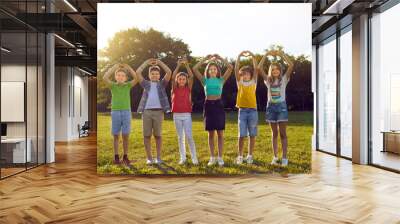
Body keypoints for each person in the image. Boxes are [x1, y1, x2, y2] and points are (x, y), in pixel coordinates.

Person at [193, 54, 233, 166]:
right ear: (207, 70)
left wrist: (220, 58)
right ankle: (212, 157)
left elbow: (230, 67)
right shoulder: (204, 81)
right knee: (211, 134)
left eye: (214, 68)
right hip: (208, 106)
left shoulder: (221, 80)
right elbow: (195, 69)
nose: (213, 70)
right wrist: (205, 59)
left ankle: (220, 157)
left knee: (220, 133)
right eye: (210, 69)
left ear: (217, 70)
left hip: (218, 105)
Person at [258, 50, 294, 167]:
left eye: (277, 69)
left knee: (283, 133)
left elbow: (291, 65)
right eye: (272, 69)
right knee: (274, 133)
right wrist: (266, 54)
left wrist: (282, 54)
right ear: (270, 71)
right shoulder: (268, 80)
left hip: (281, 108)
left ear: (280, 70)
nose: (275, 71)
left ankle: (284, 157)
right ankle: (275, 157)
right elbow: (259, 67)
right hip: (271, 108)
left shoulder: (284, 79)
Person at [136, 58, 172, 165]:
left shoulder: (162, 84)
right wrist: (146, 63)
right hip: (146, 112)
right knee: (147, 135)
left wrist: (159, 62)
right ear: (149, 75)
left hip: (159, 112)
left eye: (157, 74)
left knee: (158, 135)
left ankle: (158, 158)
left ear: (159, 75)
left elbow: (169, 72)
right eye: (152, 74)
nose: (155, 75)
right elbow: (138, 72)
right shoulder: (145, 84)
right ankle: (149, 158)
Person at [103, 63, 138, 166]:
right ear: (115, 77)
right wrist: (115, 67)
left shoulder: (128, 85)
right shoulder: (113, 86)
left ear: (125, 78)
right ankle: (116, 157)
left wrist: (128, 67)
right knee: (116, 135)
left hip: (126, 112)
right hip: (115, 112)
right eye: (118, 75)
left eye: (122, 76)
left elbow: (136, 78)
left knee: (126, 135)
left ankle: (126, 156)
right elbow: (105, 77)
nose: (120, 77)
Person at [171, 58, 198, 165]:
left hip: (187, 115)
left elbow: (191, 76)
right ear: (177, 80)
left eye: (183, 79)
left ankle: (194, 157)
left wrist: (186, 65)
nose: (182, 80)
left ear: (186, 81)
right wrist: (178, 65)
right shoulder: (174, 88)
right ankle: (183, 158)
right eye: (180, 79)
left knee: (189, 136)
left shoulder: (188, 88)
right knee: (180, 137)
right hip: (176, 115)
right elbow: (172, 77)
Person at [234, 51, 259, 164]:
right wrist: (239, 56)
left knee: (252, 134)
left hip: (253, 111)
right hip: (242, 111)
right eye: (243, 74)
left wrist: (252, 56)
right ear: (241, 75)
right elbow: (236, 69)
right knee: (241, 135)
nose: (245, 75)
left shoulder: (254, 81)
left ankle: (250, 156)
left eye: (247, 73)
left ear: (250, 74)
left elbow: (256, 69)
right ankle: (240, 156)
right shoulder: (240, 82)